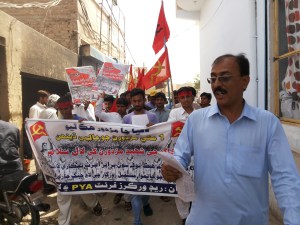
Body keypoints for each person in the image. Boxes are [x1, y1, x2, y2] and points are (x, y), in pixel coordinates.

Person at [161, 53, 300, 225]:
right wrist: (170, 170)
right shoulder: (196, 121)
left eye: (224, 78)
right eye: (213, 79)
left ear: (244, 82)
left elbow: (285, 178)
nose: (217, 84)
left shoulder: (267, 123)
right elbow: (179, 158)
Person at [56, 95, 103, 225]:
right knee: (63, 193)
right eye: (62, 109)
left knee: (83, 189)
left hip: (81, 163)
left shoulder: (82, 122)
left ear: (71, 107)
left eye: (66, 108)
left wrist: (85, 128)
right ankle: (63, 222)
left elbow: (92, 141)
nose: (64, 111)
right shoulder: (56, 125)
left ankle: (95, 204)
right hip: (64, 164)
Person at [122, 88, 158, 225]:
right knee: (135, 191)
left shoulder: (152, 117)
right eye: (134, 101)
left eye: (139, 100)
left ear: (144, 100)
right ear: (131, 101)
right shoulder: (126, 118)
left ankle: (146, 203)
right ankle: (137, 221)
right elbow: (121, 138)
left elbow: (159, 137)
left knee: (146, 189)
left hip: (147, 158)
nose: (137, 103)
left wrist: (153, 128)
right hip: (131, 159)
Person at [94, 92, 132, 211]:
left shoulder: (131, 117)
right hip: (113, 152)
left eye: (123, 106)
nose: (120, 108)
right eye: (119, 106)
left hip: (128, 152)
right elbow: (97, 113)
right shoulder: (112, 116)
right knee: (117, 175)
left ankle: (127, 200)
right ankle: (119, 193)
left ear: (127, 107)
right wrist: (101, 99)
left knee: (128, 175)